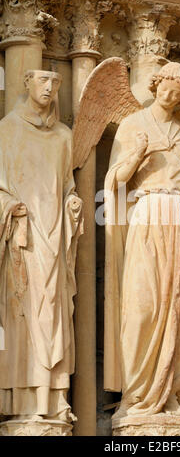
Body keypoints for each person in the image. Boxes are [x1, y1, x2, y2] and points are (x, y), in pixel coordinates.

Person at [104, 62, 180, 418]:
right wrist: (136, 154)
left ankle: (170, 393)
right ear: (156, 84)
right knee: (143, 307)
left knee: (179, 308)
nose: (173, 91)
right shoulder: (133, 126)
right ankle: (136, 395)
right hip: (148, 215)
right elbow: (116, 182)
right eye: (168, 83)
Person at [0, 70, 83, 423]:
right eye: (43, 81)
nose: (49, 88)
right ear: (26, 84)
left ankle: (54, 399)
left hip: (55, 237)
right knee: (21, 315)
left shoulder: (64, 136)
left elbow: (69, 186)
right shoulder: (5, 130)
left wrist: (73, 205)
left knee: (55, 314)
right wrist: (8, 208)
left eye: (56, 83)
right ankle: (21, 403)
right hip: (22, 237)